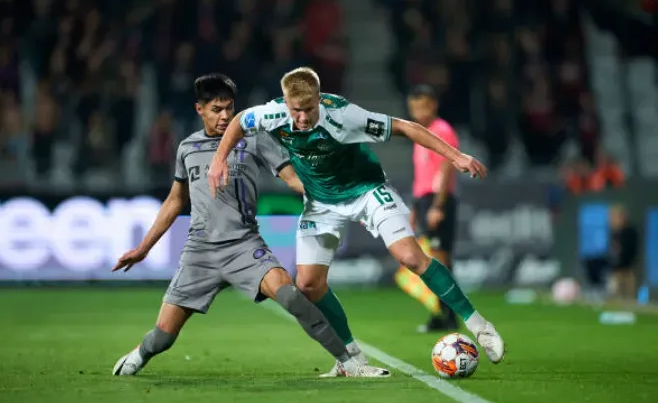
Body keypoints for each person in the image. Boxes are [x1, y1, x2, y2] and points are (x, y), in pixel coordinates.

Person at [207, 67, 505, 377]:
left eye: (309, 109)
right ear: (286, 102)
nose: (303, 118)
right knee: (308, 284)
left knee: (411, 257)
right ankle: (351, 359)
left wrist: (455, 157)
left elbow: (405, 127)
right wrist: (218, 159)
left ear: (319, 100)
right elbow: (240, 121)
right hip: (321, 202)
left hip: (366, 191)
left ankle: (480, 327)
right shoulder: (272, 115)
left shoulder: (345, 116)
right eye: (296, 110)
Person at [111, 73, 387, 378]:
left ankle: (349, 364)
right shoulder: (187, 148)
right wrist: (142, 249)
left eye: (229, 107)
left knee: (293, 296)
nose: (225, 116)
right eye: (216, 109)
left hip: (245, 246)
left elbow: (293, 178)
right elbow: (175, 201)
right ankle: (140, 353)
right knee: (162, 337)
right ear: (199, 109)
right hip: (200, 253)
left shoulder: (252, 139)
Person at [395, 84, 461, 333]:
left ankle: (448, 315)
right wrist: (414, 207)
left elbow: (445, 169)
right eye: (414, 108)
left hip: (437, 200)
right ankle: (441, 313)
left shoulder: (442, 130)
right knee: (433, 260)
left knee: (440, 261)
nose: (418, 112)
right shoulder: (419, 133)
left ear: (433, 104)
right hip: (424, 200)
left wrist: (438, 205)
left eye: (422, 106)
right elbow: (421, 175)